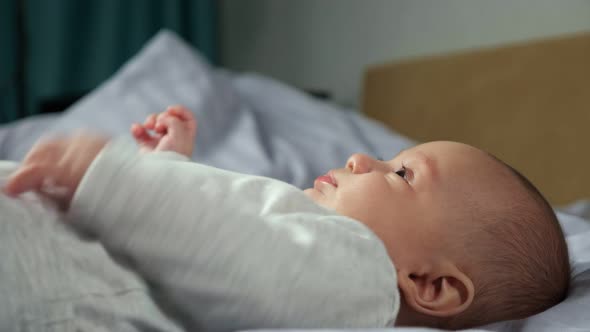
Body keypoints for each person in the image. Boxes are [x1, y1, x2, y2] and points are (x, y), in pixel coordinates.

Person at [3, 105, 570, 330]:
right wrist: (169, 171)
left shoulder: (359, 279)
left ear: (431, 285)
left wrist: (120, 185)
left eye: (402, 174)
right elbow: (212, 249)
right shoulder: (315, 251)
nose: (360, 159)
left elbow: (235, 258)